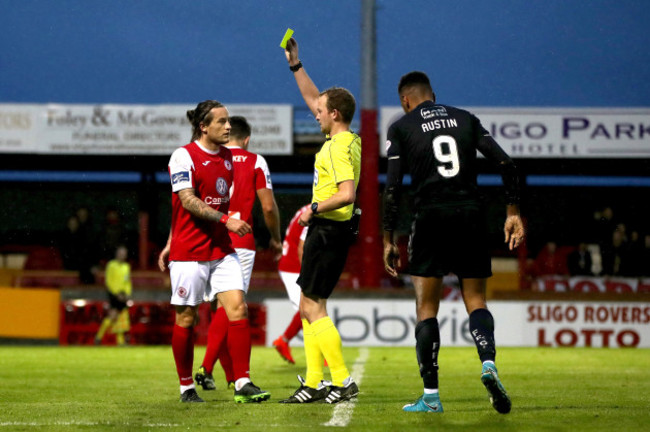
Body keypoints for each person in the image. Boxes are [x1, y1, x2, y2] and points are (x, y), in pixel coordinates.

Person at [382, 71, 525, 414]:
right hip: (470, 215)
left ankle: (431, 396)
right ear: (434, 94)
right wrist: (512, 211)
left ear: (406, 100)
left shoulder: (401, 127)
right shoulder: (465, 119)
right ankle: (488, 363)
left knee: (427, 307)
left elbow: (392, 188)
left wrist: (388, 238)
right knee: (475, 298)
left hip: (430, 217)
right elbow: (507, 163)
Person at [157, 99, 270, 404]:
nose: (228, 126)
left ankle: (242, 382)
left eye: (229, 121)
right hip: (190, 251)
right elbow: (185, 200)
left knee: (238, 308)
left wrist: (224, 224)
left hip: (222, 249)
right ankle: (185, 386)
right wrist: (222, 220)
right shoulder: (183, 156)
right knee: (187, 318)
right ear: (203, 126)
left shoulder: (229, 159)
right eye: (221, 122)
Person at [279, 37, 361, 404]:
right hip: (332, 231)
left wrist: (313, 209)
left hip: (328, 229)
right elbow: (315, 99)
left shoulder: (339, 147)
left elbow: (347, 193)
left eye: (322, 110)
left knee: (313, 307)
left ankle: (341, 381)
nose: (315, 112)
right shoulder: (346, 139)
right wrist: (296, 65)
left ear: (336, 115)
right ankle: (313, 383)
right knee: (309, 305)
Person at [194, 115, 283, 391]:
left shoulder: (207, 158)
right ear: (246, 139)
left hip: (207, 241)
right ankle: (208, 366)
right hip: (238, 241)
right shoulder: (255, 160)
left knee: (217, 308)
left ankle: (229, 376)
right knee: (231, 307)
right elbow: (268, 207)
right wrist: (275, 238)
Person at [272, 204, 310, 364]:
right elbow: (303, 245)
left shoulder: (307, 208)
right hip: (294, 266)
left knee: (307, 311)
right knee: (309, 311)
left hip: (290, 263)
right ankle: (322, 353)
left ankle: (283, 341)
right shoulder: (316, 211)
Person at [94, 245, 132, 346]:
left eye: (124, 254)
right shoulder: (111, 265)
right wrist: (116, 293)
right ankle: (98, 337)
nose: (122, 255)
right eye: (120, 253)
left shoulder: (126, 267)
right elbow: (109, 281)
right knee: (113, 315)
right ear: (117, 254)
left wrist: (128, 293)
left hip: (123, 294)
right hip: (113, 294)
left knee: (120, 318)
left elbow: (127, 281)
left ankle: (120, 342)